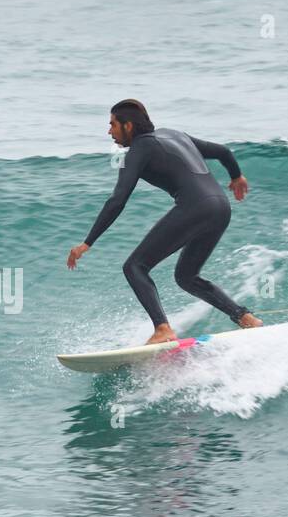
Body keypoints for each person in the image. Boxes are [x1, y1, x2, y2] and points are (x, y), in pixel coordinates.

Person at [67, 99, 263, 344]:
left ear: (128, 126)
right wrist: (236, 176)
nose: (109, 132)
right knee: (186, 276)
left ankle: (162, 329)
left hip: (195, 207)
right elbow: (223, 151)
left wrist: (87, 243)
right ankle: (244, 317)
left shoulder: (138, 149)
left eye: (113, 125)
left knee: (134, 267)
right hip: (220, 207)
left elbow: (118, 200)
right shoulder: (174, 134)